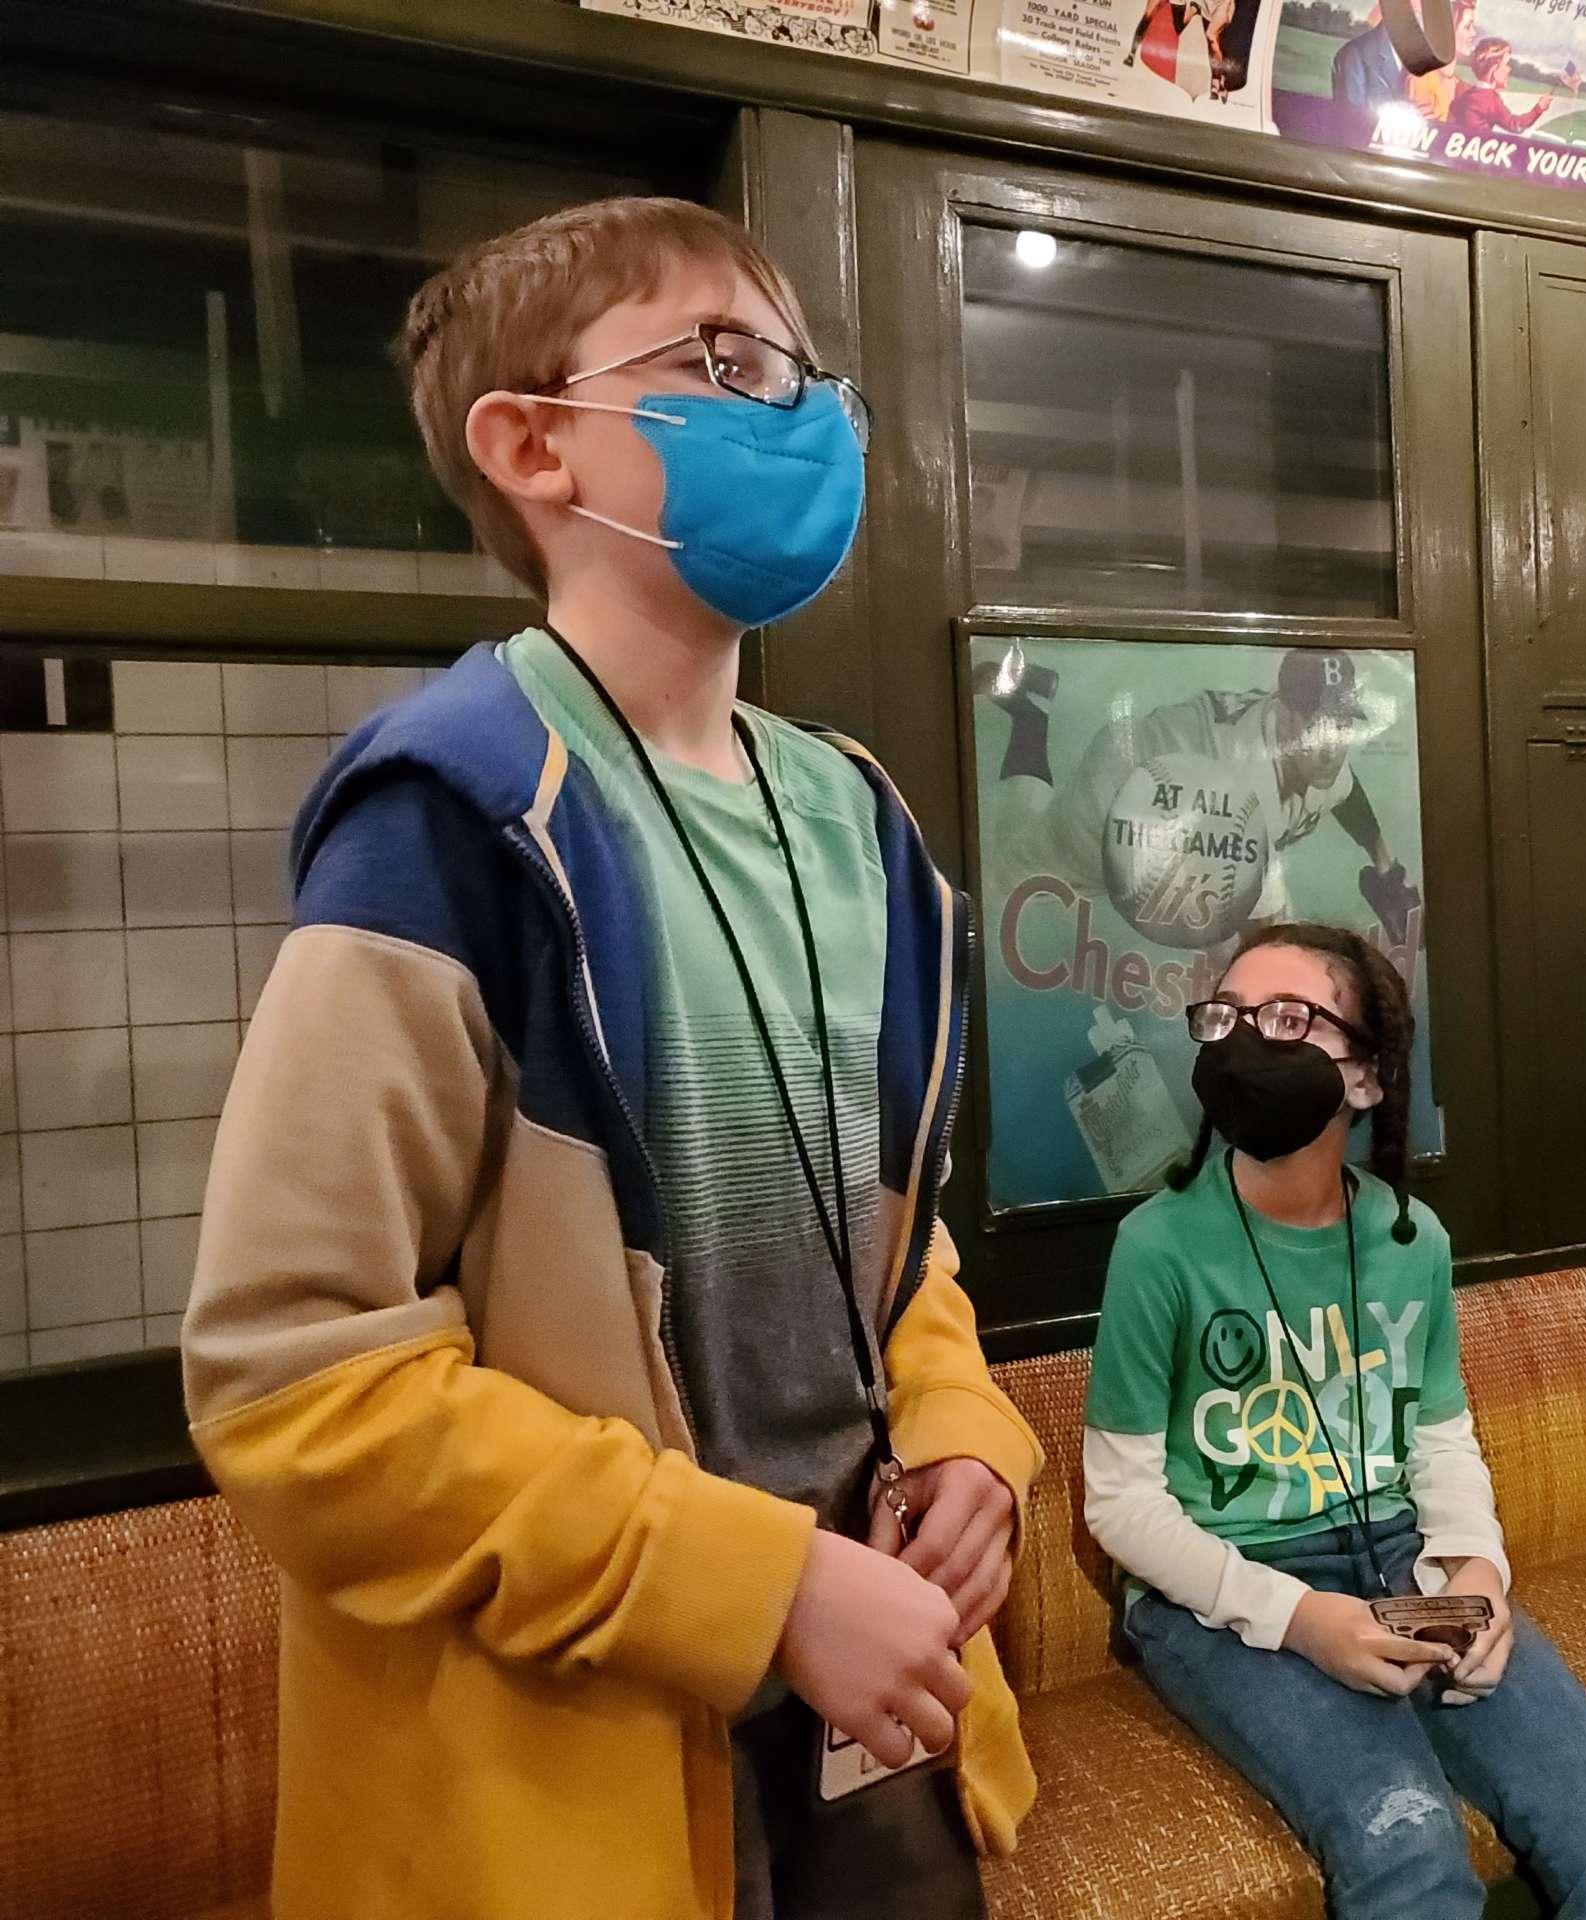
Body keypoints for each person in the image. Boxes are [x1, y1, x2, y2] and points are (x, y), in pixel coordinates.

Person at [180, 197, 1044, 1920]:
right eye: (719, 365)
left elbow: (893, 1246)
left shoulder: (857, 822)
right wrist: (753, 1583)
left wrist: (964, 1439)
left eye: (799, 375)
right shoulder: (450, 816)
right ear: (533, 445)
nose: (792, 416)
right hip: (574, 1788)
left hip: (882, 1711)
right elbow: (293, 1381)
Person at [1083, 922, 1586, 1920]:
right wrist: (1303, 1621)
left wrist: (1476, 1574)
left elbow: (1438, 1441)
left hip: (1401, 1561)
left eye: (1286, 1020)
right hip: (1222, 1595)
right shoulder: (1158, 1247)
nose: (1243, 1044)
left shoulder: (1412, 1240)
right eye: (1225, 1018)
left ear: (1364, 1076)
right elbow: (1121, 1507)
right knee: (1403, 1842)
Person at [975, 645, 1422, 943]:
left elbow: (1345, 791)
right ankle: (1030, 719)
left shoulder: (1310, 750)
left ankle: (1031, 709)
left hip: (1173, 784)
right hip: (1115, 792)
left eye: (1341, 723)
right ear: (1283, 714)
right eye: (1317, 724)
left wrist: (1384, 864)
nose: (1333, 745)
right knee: (1015, 880)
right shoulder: (1245, 789)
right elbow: (1273, 938)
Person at [1447, 39, 1550, 138]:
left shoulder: (1469, 93)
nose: (1509, 69)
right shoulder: (1490, 99)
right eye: (1506, 64)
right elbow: (1515, 125)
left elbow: (1454, 108)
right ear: (1494, 69)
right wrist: (1538, 108)